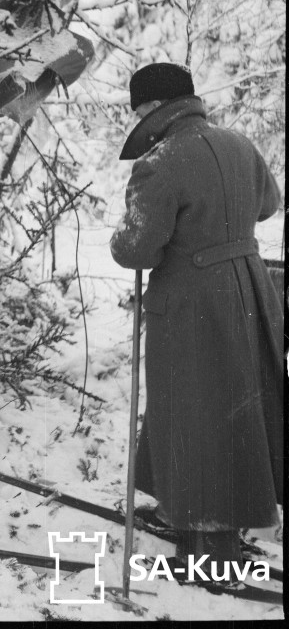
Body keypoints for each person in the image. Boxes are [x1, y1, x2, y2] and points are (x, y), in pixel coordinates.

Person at [110, 62, 283, 580]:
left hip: (191, 307)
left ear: (154, 107)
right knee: (234, 409)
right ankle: (188, 513)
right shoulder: (238, 143)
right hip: (250, 292)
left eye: (139, 109)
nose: (138, 116)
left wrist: (121, 235)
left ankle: (209, 547)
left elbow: (135, 249)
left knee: (194, 415)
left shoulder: (159, 163)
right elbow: (269, 205)